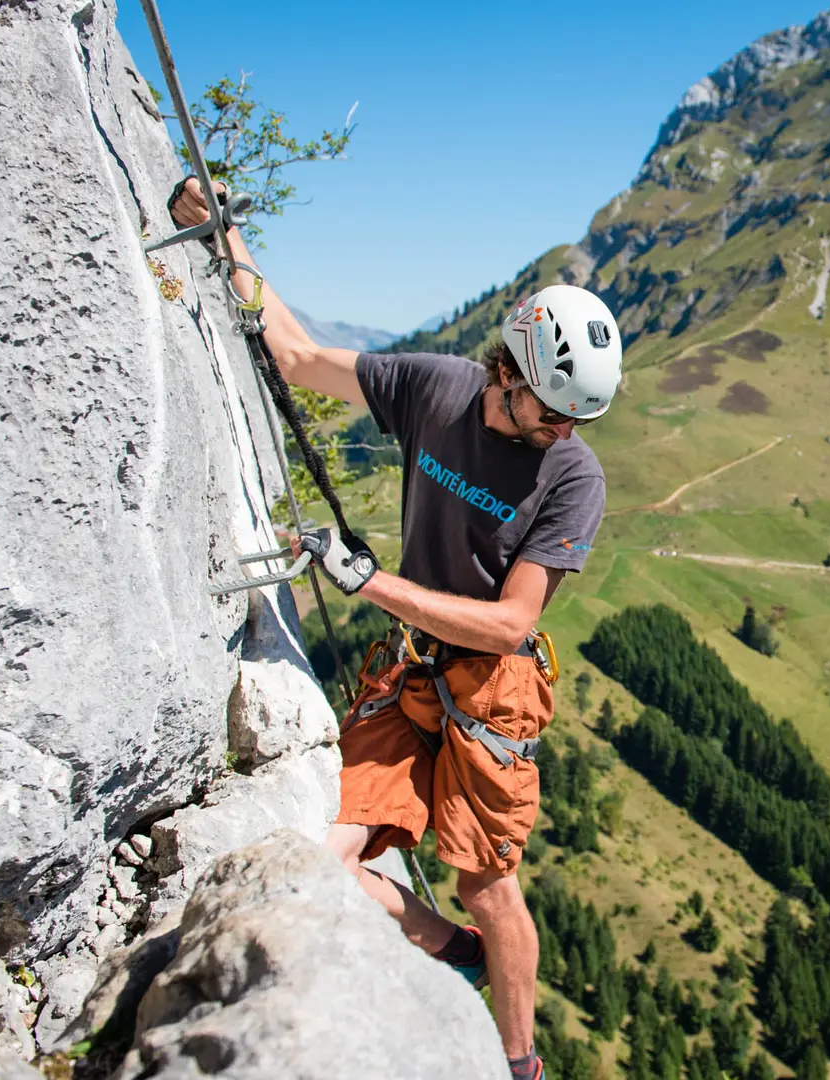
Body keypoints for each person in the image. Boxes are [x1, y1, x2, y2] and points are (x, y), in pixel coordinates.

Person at [171, 179, 622, 1080]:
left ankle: (519, 1062)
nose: (563, 429)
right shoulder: (436, 390)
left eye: (577, 417)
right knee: (324, 857)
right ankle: (441, 946)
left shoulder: (574, 478)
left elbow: (511, 623)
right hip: (413, 670)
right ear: (509, 371)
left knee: (489, 885)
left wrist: (373, 583)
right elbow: (296, 358)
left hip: (494, 690)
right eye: (552, 410)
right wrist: (224, 234)